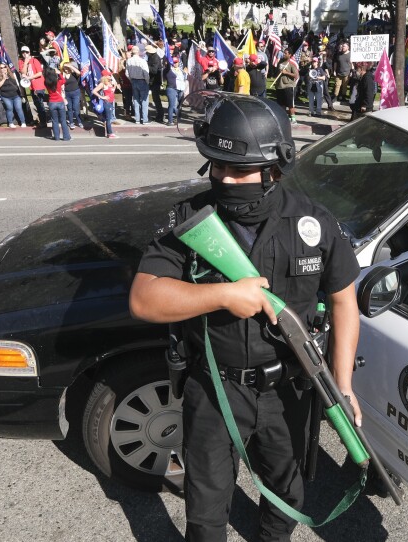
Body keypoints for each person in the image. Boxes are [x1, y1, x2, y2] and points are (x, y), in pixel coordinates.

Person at [130, 92, 361, 542]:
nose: (224, 179)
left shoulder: (313, 223)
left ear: (276, 167)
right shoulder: (192, 220)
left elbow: (344, 301)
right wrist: (223, 295)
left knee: (287, 495)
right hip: (215, 389)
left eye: (238, 170)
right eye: (216, 166)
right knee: (206, 504)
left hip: (290, 388)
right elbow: (144, 300)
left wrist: (344, 385)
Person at [19, 46, 47, 126]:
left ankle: (43, 122)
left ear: (29, 52)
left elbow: (40, 73)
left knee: (39, 104)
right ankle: (41, 120)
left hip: (38, 85)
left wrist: (29, 77)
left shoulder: (35, 60)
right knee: (36, 103)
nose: (25, 54)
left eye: (26, 52)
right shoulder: (21, 61)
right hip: (30, 86)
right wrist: (25, 63)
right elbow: (23, 73)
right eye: (23, 52)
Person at [0, 63, 27, 127]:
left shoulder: (13, 75)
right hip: (5, 96)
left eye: (5, 67)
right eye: (1, 68)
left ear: (7, 68)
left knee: (19, 108)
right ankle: (10, 122)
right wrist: (3, 79)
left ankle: (23, 122)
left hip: (16, 95)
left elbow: (18, 84)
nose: (3, 69)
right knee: (9, 108)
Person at [45, 68, 70, 141]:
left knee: (54, 121)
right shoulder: (58, 82)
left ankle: (57, 137)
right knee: (63, 120)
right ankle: (66, 137)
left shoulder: (46, 82)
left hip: (52, 102)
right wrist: (59, 73)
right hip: (60, 101)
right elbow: (64, 80)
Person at [126, 47, 150, 125]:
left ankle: (137, 119)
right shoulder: (142, 61)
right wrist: (147, 81)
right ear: (138, 52)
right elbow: (146, 73)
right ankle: (145, 119)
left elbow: (127, 73)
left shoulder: (128, 61)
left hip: (133, 80)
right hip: (142, 80)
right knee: (144, 100)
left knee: (136, 100)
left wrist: (131, 79)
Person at [92, 69, 118, 138]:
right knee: (108, 118)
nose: (110, 76)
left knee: (109, 118)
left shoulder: (109, 83)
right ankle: (110, 133)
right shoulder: (102, 84)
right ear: (105, 76)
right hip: (107, 102)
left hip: (111, 102)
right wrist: (102, 97)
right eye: (109, 75)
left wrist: (114, 86)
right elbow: (94, 91)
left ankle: (108, 132)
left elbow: (112, 91)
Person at [276, 48, 299, 124]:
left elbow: (296, 75)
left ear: (290, 55)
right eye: (284, 53)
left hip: (288, 86)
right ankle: (283, 118)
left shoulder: (291, 63)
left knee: (290, 104)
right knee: (281, 104)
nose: (284, 54)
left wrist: (286, 73)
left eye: (286, 53)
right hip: (280, 86)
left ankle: (293, 119)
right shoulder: (280, 62)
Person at [163, 56, 186, 126]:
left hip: (181, 89)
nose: (175, 64)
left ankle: (177, 117)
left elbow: (184, 78)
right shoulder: (169, 69)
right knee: (173, 105)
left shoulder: (181, 70)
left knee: (179, 104)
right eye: (174, 62)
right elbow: (166, 70)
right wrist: (168, 62)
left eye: (176, 62)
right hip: (173, 88)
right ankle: (172, 120)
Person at [146, 43, 165, 123]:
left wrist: (146, 66)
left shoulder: (155, 58)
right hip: (153, 81)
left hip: (155, 81)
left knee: (156, 99)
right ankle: (159, 115)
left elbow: (154, 70)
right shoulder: (151, 57)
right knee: (155, 99)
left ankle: (160, 115)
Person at [61, 63, 83, 129]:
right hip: (67, 93)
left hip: (75, 92)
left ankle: (79, 121)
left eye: (67, 68)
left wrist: (70, 66)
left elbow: (79, 73)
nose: (66, 69)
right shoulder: (63, 75)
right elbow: (62, 84)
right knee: (69, 108)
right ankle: (71, 122)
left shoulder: (73, 74)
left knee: (76, 108)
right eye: (65, 68)